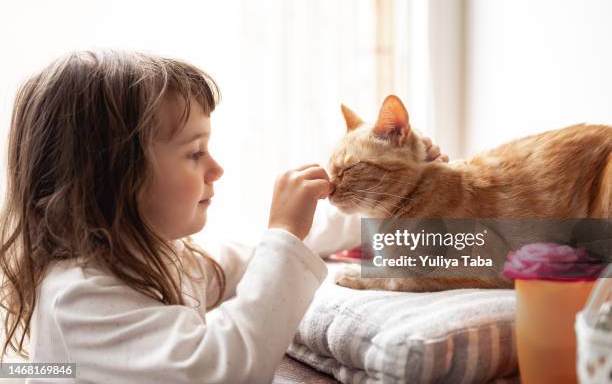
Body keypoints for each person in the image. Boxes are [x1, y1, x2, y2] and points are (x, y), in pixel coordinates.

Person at [0, 49, 444, 383]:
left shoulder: (150, 259)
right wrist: (284, 235)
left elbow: (246, 260)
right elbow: (226, 369)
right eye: (195, 153)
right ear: (109, 179)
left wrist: (396, 198)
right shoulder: (80, 299)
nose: (217, 169)